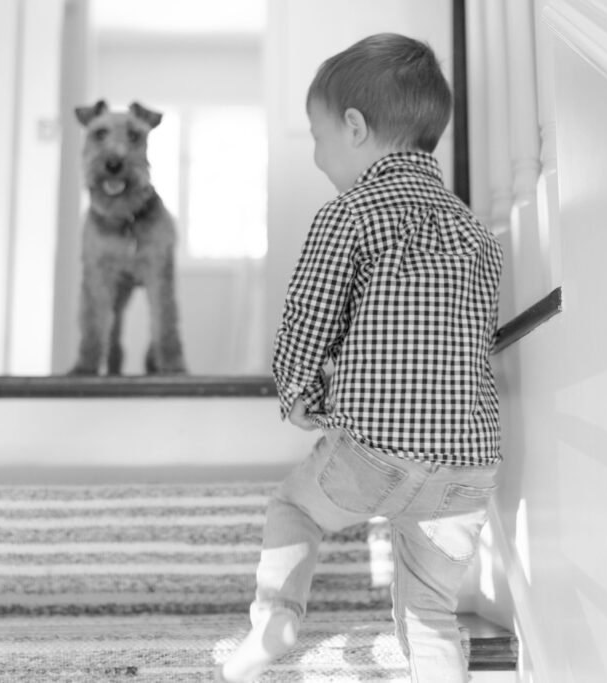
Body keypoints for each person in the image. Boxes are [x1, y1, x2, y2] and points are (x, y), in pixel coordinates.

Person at [219, 32, 504, 683]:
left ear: (354, 127)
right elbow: (466, 340)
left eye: (317, 138)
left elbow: (308, 323)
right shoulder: (478, 235)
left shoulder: (348, 216)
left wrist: (298, 397)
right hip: (469, 461)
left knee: (294, 509)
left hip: (375, 447)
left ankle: (276, 616)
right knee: (431, 610)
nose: (317, 156)